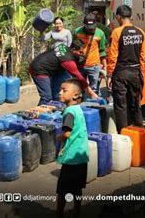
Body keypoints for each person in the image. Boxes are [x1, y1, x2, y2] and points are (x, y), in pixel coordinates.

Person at [107, 5, 145, 132]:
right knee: (135, 103)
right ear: (130, 16)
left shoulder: (117, 32)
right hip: (136, 72)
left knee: (120, 105)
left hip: (121, 72)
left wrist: (109, 75)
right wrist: (142, 73)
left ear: (118, 17)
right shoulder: (141, 32)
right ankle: (139, 131)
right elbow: (143, 55)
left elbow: (112, 55)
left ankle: (123, 134)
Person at [55, 78, 89, 218]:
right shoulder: (78, 109)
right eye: (60, 90)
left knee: (62, 190)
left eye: (64, 90)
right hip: (81, 155)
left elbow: (67, 133)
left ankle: (59, 214)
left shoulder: (69, 112)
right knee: (77, 188)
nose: (60, 92)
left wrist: (58, 137)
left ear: (75, 95)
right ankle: (76, 212)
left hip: (71, 157)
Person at [29, 42, 98, 105]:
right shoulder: (67, 60)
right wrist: (91, 93)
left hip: (46, 66)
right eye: (80, 52)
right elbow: (79, 76)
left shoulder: (64, 48)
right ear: (73, 50)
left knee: (57, 93)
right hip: (39, 70)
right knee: (47, 97)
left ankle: (55, 107)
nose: (81, 54)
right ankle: (38, 115)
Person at [74, 13, 107, 95]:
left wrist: (105, 66)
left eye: (92, 28)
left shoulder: (100, 33)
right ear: (84, 24)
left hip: (94, 66)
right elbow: (73, 48)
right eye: (88, 28)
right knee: (78, 89)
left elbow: (102, 51)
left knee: (94, 90)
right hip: (80, 66)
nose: (90, 30)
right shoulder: (77, 32)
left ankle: (94, 106)